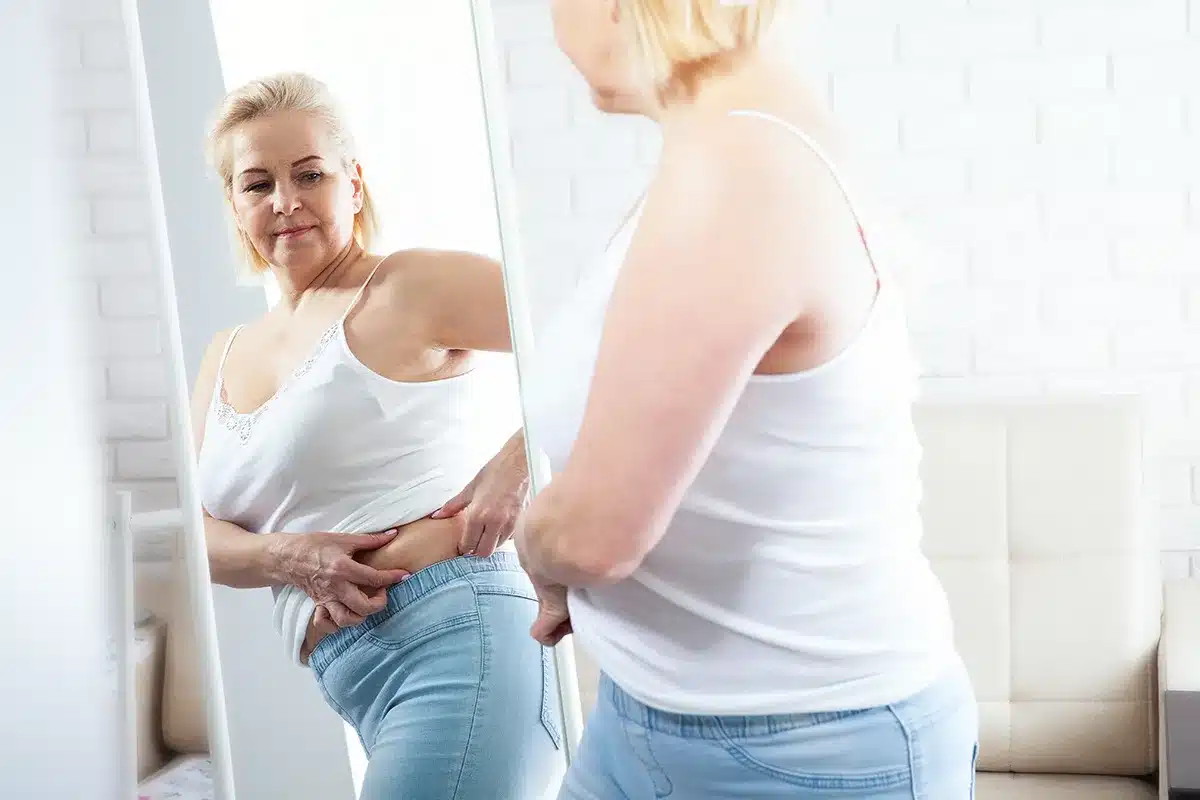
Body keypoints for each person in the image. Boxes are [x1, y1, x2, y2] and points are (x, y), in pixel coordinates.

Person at [512, 1, 980, 797]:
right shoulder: (731, 142)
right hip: (644, 709)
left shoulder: (737, 168)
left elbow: (594, 539)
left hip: (809, 747)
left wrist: (539, 545)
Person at [191, 71, 562, 799]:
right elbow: (197, 538)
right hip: (356, 673)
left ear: (354, 185)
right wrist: (287, 555)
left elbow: (610, 332)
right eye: (258, 184)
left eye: (310, 175)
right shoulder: (225, 354)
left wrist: (519, 462)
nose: (285, 201)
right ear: (234, 206)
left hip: (458, 633)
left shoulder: (407, 288)